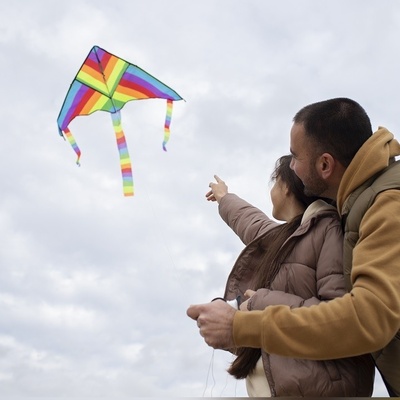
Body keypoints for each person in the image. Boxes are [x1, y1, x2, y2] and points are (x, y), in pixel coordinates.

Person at [187, 98, 400, 396]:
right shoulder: (357, 208)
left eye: (295, 156)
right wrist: (225, 198)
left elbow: (368, 318)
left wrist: (242, 323)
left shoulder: (384, 204)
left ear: (325, 165)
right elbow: (253, 223)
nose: (292, 165)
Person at [203, 155, 374, 397]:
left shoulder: (329, 230)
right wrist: (224, 197)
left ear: (285, 187)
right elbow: (249, 220)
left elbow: (340, 315)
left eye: (274, 182)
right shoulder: (283, 238)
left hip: (318, 390)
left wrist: (259, 303)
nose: (272, 189)